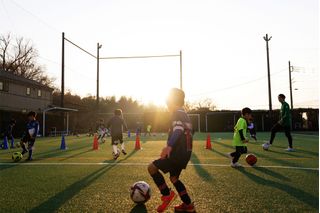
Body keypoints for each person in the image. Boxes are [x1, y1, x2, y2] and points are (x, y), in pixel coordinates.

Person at [147, 88, 195, 213]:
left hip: (177, 153)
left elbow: (178, 130)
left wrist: (169, 146)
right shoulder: (185, 115)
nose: (166, 105)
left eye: (167, 102)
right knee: (174, 178)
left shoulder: (176, 114)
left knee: (151, 168)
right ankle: (188, 205)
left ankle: (167, 195)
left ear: (171, 101)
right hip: (185, 154)